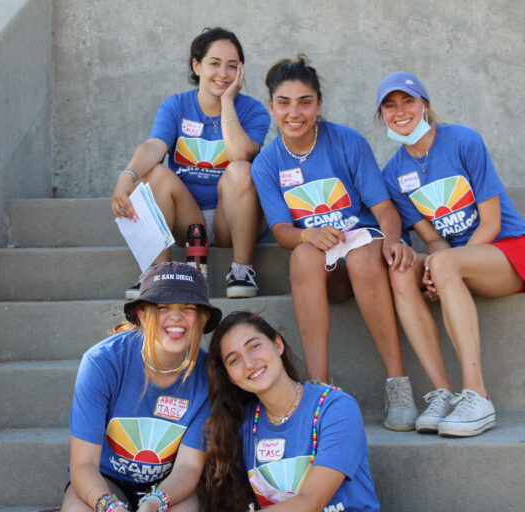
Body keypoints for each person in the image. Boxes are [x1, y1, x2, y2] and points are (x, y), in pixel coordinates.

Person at [250, 55, 420, 430]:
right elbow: (281, 232)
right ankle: (319, 388)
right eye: (284, 103)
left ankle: (397, 384)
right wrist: (307, 233)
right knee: (302, 257)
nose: (295, 112)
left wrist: (392, 241)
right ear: (271, 107)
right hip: (325, 271)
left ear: (319, 105)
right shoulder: (266, 162)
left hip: (364, 255)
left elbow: (385, 209)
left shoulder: (345, 141)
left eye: (305, 102)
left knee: (361, 255)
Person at [376, 71, 525, 438]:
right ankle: (442, 394)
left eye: (408, 102)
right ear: (382, 117)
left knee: (443, 262)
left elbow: (493, 221)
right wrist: (437, 265)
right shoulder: (393, 174)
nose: (400, 111)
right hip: (452, 262)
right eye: (390, 106)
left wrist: (443, 266)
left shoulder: (463, 140)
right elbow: (434, 241)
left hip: (503, 252)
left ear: (425, 105)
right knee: (401, 269)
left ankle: (478, 396)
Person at [111, 27, 271, 299]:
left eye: (232, 66)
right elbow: (155, 145)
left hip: (232, 217)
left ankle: (241, 270)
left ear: (241, 72)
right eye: (214, 64)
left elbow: (239, 154)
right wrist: (127, 175)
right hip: (187, 218)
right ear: (196, 65)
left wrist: (228, 102)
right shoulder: (176, 106)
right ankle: (159, 272)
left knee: (242, 169)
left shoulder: (253, 110)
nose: (223, 73)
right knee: (155, 172)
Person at [61, 261, 222, 512]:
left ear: (204, 319)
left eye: (188, 308)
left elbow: (188, 467)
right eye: (162, 307)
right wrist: (109, 506)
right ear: (142, 315)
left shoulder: (209, 374)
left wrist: (152, 504)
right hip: (106, 480)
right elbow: (83, 464)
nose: (176, 317)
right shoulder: (102, 363)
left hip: (172, 486)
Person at [206, 310, 380, 511]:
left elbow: (311, 503)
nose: (249, 363)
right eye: (234, 360)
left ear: (277, 344)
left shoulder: (335, 407)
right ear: (229, 377)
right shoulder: (243, 425)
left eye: (254, 346)